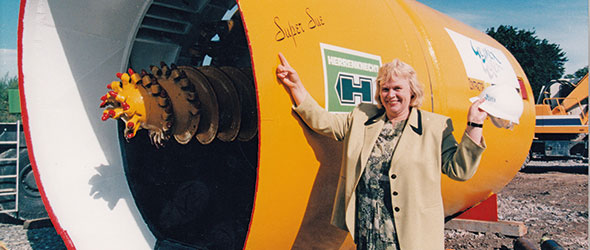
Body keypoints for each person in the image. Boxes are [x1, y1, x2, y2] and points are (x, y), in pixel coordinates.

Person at [276, 53, 488, 250]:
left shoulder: (435, 126)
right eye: (385, 89)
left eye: (397, 88)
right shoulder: (362, 117)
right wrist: (296, 86)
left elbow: (459, 170)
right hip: (369, 231)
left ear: (412, 91)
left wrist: (474, 126)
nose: (391, 95)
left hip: (409, 236)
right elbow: (323, 121)